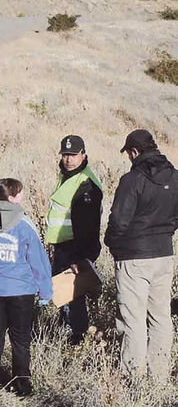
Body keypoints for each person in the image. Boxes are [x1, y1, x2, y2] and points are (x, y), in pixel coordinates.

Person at [0, 178, 52, 396]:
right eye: (21, 193)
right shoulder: (24, 224)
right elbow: (38, 260)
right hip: (21, 292)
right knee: (21, 339)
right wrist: (45, 290)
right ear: (12, 197)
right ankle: (22, 385)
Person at [104, 129, 178, 380]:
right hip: (164, 255)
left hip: (133, 257)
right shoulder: (176, 177)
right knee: (161, 317)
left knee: (132, 320)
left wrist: (113, 245)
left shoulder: (132, 179)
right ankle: (158, 376)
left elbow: (118, 221)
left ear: (134, 152)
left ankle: (132, 377)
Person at [45, 135, 103, 344]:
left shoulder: (85, 184)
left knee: (73, 294)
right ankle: (67, 329)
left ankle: (75, 337)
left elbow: (88, 226)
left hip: (74, 247)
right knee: (64, 292)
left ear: (83, 155)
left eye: (73, 155)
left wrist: (80, 258)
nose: (68, 159)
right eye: (65, 154)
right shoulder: (68, 175)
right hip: (63, 245)